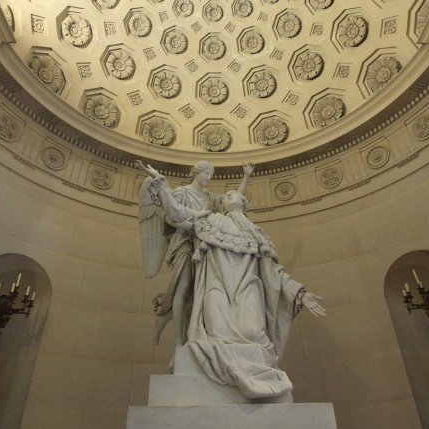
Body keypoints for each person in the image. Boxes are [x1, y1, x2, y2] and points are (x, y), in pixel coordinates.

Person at [137, 161, 325, 400]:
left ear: (242, 204)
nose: (230, 193)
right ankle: (185, 346)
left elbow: (273, 271)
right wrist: (161, 182)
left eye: (234, 193)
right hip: (216, 289)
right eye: (228, 193)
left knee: (253, 333)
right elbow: (175, 212)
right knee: (213, 331)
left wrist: (300, 293)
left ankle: (257, 379)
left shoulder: (255, 232)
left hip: (249, 290)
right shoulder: (210, 220)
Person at [137, 160, 253, 349]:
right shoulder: (182, 192)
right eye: (207, 173)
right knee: (183, 286)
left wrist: (246, 176)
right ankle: (178, 341)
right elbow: (169, 215)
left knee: (203, 289)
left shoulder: (212, 197)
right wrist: (187, 226)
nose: (209, 177)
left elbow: (234, 201)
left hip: (205, 245)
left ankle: (168, 318)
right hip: (184, 242)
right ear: (196, 173)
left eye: (211, 174)